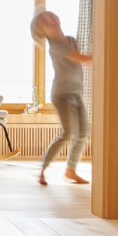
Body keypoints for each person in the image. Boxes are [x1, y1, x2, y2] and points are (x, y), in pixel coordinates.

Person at [31, 10, 93, 185]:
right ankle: (43, 169)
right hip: (62, 95)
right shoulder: (56, 47)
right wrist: (101, 55)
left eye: (51, 17)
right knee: (68, 133)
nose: (51, 20)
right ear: (43, 31)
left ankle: (71, 170)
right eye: (46, 21)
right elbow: (78, 58)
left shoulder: (71, 40)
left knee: (82, 134)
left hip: (76, 93)